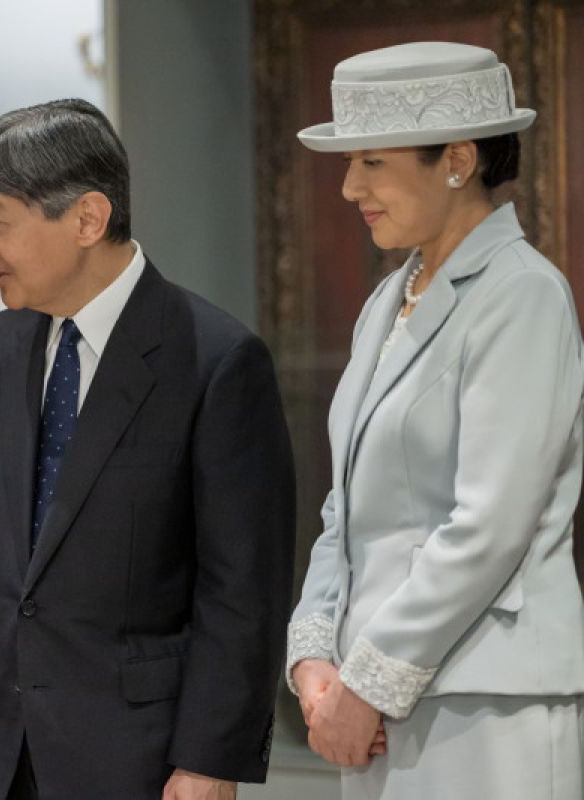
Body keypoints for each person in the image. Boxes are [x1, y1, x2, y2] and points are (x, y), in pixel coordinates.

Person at [0, 99, 295, 799]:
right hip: (2, 747)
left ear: (88, 218)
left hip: (144, 757)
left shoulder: (215, 361)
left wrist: (210, 758)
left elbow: (242, 591)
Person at [287, 42, 584, 799]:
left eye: (372, 163)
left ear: (457, 159)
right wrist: (315, 658)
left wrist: (366, 685)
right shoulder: (386, 302)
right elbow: (343, 511)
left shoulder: (523, 294)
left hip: (484, 706)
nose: (350, 187)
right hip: (378, 706)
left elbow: (488, 524)